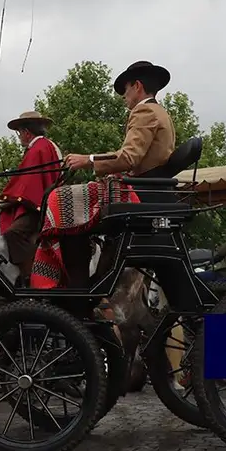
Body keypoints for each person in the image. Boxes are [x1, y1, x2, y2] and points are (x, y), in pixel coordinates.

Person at [60, 60, 176, 288]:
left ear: (137, 86)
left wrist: (88, 160)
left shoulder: (144, 111)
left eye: (125, 90)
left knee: (64, 208)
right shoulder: (161, 113)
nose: (124, 97)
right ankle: (93, 283)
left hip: (142, 195)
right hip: (152, 192)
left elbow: (129, 157)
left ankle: (77, 288)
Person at [0, 111, 63, 284]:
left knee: (13, 233)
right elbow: (26, 183)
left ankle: (29, 277)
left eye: (19, 132)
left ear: (27, 132)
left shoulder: (38, 148)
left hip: (38, 207)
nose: (20, 137)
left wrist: (2, 201)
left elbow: (27, 186)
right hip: (45, 203)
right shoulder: (45, 146)